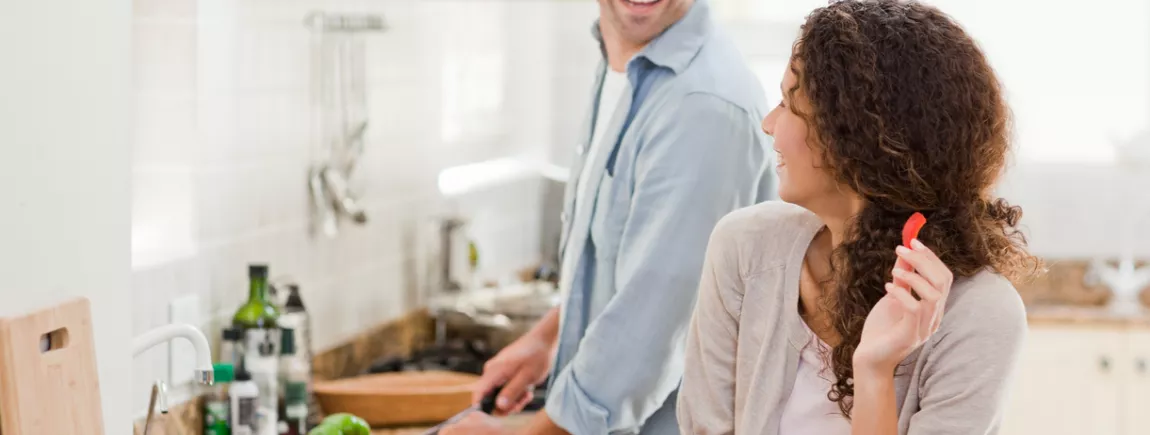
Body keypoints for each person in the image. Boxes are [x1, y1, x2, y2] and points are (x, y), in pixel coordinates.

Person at [677, 1, 1041, 434]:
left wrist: (874, 370)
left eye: (788, 103)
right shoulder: (745, 248)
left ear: (852, 136)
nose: (768, 123)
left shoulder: (978, 313)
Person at [440, 0, 771, 434]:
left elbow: (651, 326)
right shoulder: (627, 65)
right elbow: (627, 259)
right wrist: (548, 338)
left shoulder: (701, 104)